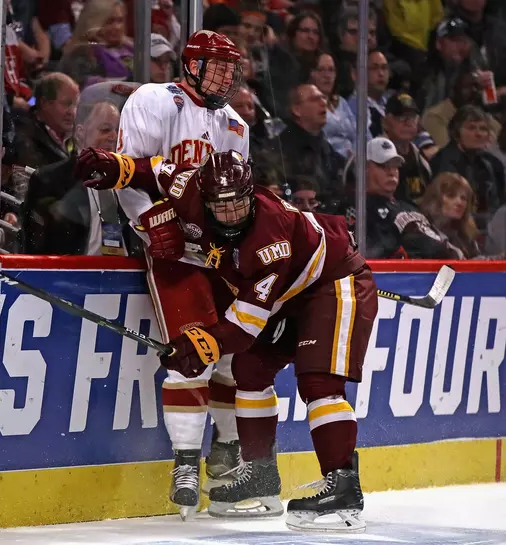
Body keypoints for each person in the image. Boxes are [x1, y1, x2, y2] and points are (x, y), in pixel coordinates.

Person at [76, 149, 378, 530]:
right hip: (288, 292)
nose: (232, 215)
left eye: (239, 204)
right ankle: (261, 474)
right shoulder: (187, 185)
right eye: (221, 207)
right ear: (203, 197)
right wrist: (117, 167)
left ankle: (343, 486)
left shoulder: (269, 238)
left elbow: (243, 327)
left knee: (319, 381)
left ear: (251, 195)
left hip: (330, 282)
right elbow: (152, 170)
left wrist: (200, 345)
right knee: (249, 370)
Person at [75, 30, 248, 519]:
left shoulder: (235, 124)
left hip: (218, 250)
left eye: (229, 69)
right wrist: (152, 220)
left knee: (236, 355)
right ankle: (186, 463)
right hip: (174, 251)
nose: (224, 77)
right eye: (215, 66)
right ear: (191, 66)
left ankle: (228, 451)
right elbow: (129, 171)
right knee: (193, 351)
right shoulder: (156, 100)